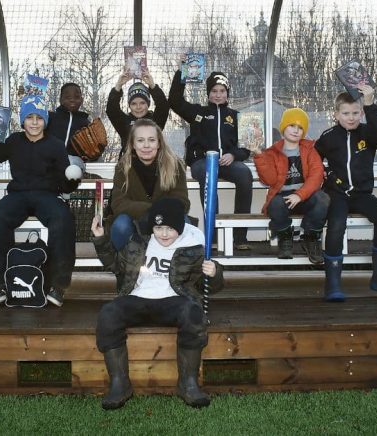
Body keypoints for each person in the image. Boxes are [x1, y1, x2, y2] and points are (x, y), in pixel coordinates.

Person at [91, 197, 224, 409]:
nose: (163, 234)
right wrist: (100, 239)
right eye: (159, 227)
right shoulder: (138, 242)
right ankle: (119, 383)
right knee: (108, 313)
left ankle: (188, 383)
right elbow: (115, 265)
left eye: (170, 228)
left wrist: (215, 272)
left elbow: (211, 287)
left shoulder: (193, 248)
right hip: (138, 298)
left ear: (179, 228)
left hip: (173, 301)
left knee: (192, 314)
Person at [0, 95, 81, 307]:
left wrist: (72, 182)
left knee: (63, 219)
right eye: (29, 117)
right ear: (22, 121)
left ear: (45, 121)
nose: (34, 122)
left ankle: (58, 286)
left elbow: (64, 182)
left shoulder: (56, 145)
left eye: (38, 118)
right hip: (18, 195)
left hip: (47, 195)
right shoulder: (14, 141)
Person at [315, 84, 377, 302]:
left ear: (361, 113)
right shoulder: (328, 136)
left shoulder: (368, 134)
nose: (351, 117)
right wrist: (328, 175)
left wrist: (370, 103)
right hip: (337, 195)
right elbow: (313, 161)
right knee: (336, 224)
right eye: (345, 113)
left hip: (362, 194)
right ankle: (333, 283)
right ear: (336, 114)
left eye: (356, 113)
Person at [169, 69, 253, 250]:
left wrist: (233, 155)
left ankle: (240, 237)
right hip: (203, 162)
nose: (218, 95)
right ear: (208, 93)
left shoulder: (236, 116)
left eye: (222, 91)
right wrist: (182, 70)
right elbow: (174, 101)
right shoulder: (198, 112)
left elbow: (248, 147)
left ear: (227, 93)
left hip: (227, 162)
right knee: (207, 176)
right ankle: (212, 237)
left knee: (245, 174)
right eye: (214, 91)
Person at [253, 108, 328, 264]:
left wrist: (299, 195)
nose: (296, 130)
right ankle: (285, 236)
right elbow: (270, 180)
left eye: (300, 127)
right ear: (283, 128)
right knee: (274, 204)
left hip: (304, 197)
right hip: (283, 198)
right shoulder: (273, 152)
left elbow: (317, 175)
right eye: (292, 125)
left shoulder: (310, 150)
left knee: (322, 199)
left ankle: (310, 237)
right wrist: (259, 157)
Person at [107, 118, 190, 250]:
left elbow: (182, 201)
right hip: (134, 219)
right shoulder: (123, 167)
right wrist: (151, 209)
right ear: (133, 144)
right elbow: (118, 204)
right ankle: (125, 266)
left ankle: (176, 266)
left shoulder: (175, 165)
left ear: (159, 143)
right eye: (140, 140)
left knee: (185, 221)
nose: (146, 145)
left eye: (151, 140)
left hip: (167, 220)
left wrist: (159, 213)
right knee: (121, 225)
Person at [106, 68, 169, 157]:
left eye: (142, 103)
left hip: (153, 165)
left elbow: (163, 107)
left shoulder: (155, 121)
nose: (138, 107)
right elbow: (112, 110)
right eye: (134, 103)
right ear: (129, 106)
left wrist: (152, 86)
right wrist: (118, 86)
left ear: (148, 104)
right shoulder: (124, 122)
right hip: (129, 166)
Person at [46, 82, 92, 171]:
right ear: (61, 100)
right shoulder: (50, 117)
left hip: (74, 165)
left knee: (70, 162)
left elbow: (90, 150)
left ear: (81, 100)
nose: (72, 100)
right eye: (68, 97)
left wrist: (91, 155)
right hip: (51, 162)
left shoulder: (85, 123)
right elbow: (31, 127)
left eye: (76, 97)